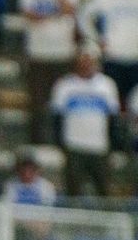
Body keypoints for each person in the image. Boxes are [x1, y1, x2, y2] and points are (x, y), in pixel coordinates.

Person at [20, 0, 81, 144]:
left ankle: (60, 140)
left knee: (61, 101)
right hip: (38, 54)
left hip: (63, 54)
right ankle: (36, 141)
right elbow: (29, 15)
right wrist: (55, 13)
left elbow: (70, 10)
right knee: (37, 102)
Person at [51, 49, 120, 196]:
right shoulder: (64, 85)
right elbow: (57, 118)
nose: (87, 65)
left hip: (100, 146)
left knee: (104, 190)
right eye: (83, 61)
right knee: (73, 190)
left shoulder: (107, 85)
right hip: (74, 145)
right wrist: (60, 143)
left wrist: (113, 145)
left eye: (90, 62)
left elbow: (113, 118)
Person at [79, 0, 138, 104]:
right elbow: (84, 16)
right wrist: (96, 39)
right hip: (114, 56)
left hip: (135, 56)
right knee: (115, 101)